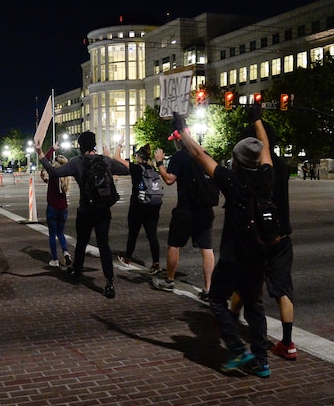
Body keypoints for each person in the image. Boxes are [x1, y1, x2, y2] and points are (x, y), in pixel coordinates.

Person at [174, 108, 274, 378]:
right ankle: (262, 361)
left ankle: (239, 350)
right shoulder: (266, 177)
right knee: (254, 304)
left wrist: (182, 128)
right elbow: (264, 148)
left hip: (234, 255)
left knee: (217, 300)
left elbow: (198, 154)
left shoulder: (232, 181)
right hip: (259, 254)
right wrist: (257, 120)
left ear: (237, 160)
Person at [230, 120, 297, 360]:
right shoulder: (279, 166)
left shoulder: (252, 170)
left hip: (258, 238)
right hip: (282, 235)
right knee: (282, 288)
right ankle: (288, 343)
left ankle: (228, 320)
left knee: (248, 282)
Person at [36, 131, 129, 297]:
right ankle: (109, 282)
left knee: (81, 243)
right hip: (103, 211)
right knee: (104, 246)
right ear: (94, 145)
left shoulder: (77, 162)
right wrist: (114, 154)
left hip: (86, 210)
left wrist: (41, 154)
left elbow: (55, 173)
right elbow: (125, 170)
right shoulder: (105, 161)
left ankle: (76, 273)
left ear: (80, 146)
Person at [152, 126, 216, 300]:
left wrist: (159, 162)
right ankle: (208, 288)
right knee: (207, 248)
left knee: (174, 244)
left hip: (185, 210)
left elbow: (169, 179)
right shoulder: (204, 154)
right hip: (204, 208)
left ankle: (170, 279)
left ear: (179, 140)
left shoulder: (179, 157)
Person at [114, 143, 162, 274]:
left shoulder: (136, 168)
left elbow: (116, 157)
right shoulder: (153, 170)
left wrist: (120, 143)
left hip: (138, 206)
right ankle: (156, 263)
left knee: (133, 234)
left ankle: (128, 257)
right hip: (153, 207)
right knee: (152, 235)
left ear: (139, 157)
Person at [40, 145, 72, 268]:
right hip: (63, 208)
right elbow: (57, 187)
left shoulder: (54, 173)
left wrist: (52, 149)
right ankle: (65, 252)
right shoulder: (66, 176)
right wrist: (47, 182)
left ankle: (55, 259)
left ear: (57, 164)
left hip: (53, 208)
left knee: (52, 234)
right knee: (61, 233)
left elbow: (44, 161)